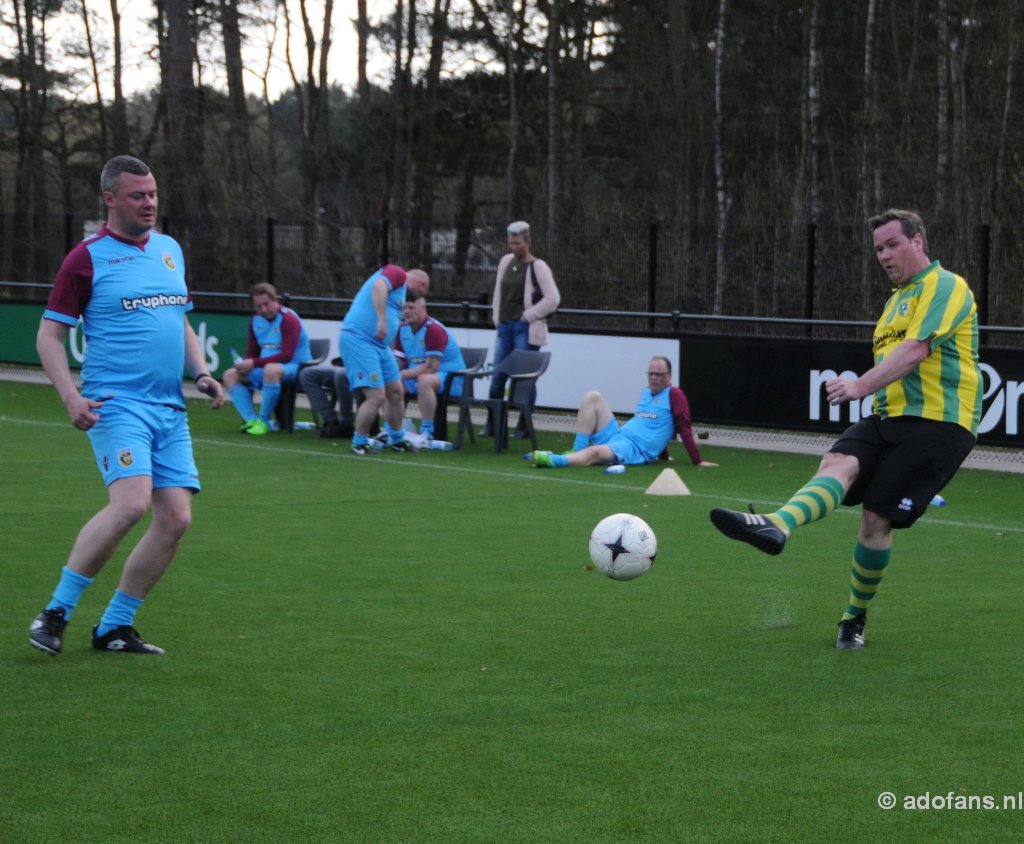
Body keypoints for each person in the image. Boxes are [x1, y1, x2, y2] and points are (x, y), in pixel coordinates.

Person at [709, 209, 981, 650]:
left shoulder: (946, 285)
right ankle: (775, 524)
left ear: (918, 242)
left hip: (940, 423)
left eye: (892, 244)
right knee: (837, 461)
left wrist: (859, 385)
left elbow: (915, 351)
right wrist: (870, 395)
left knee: (876, 518)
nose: (884, 255)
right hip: (888, 416)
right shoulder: (895, 301)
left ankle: (853, 619)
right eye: (878, 249)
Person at [29, 154, 224, 657]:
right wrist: (70, 396)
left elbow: (179, 321)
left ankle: (115, 626)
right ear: (110, 199)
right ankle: (55, 613)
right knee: (132, 504)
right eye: (137, 195)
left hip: (169, 408)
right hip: (117, 403)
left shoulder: (169, 250)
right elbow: (49, 337)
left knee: (176, 519)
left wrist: (200, 372)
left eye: (153, 193)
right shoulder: (86, 258)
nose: (149, 203)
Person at [528, 356, 717, 469]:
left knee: (595, 453)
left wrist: (697, 461)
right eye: (650, 373)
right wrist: (664, 456)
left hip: (633, 449)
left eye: (658, 374)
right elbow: (652, 425)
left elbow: (683, 428)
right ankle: (577, 449)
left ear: (669, 377)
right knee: (593, 396)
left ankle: (554, 461)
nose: (653, 377)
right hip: (618, 435)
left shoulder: (675, 394)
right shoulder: (646, 392)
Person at [340, 265, 431, 454]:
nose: (419, 297)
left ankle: (397, 439)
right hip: (360, 339)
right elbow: (378, 287)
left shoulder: (399, 291)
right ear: (421, 284)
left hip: (380, 346)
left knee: (396, 392)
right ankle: (359, 443)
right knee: (376, 395)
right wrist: (382, 320)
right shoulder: (397, 273)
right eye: (423, 292)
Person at [484, 220, 560, 437]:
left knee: (523, 377)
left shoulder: (538, 266)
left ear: (527, 242)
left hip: (524, 328)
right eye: (510, 243)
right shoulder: (505, 261)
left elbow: (553, 298)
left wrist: (528, 316)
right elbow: (498, 291)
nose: (513, 247)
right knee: (498, 375)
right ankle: (493, 421)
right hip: (505, 326)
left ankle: (524, 423)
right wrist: (496, 318)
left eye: (517, 243)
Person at [223, 282, 313, 436]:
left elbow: (286, 355)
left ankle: (263, 421)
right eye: (259, 306)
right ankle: (251, 420)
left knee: (271, 370)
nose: (264, 309)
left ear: (275, 301)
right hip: (266, 368)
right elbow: (252, 352)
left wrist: (254, 363)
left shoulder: (288, 318)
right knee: (230, 375)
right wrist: (244, 363)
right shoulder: (255, 320)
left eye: (267, 304)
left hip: (296, 367)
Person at [393, 294, 467, 440]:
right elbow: (399, 361)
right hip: (417, 375)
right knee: (390, 383)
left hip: (451, 378)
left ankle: (427, 432)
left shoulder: (434, 329)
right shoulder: (401, 329)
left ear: (423, 308)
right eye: (404, 308)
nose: (406, 311)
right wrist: (391, 372)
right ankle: (395, 428)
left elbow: (431, 368)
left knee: (425, 380)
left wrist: (403, 374)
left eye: (411, 307)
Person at [300, 358, 355, 438]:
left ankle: (346, 424)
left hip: (368, 369)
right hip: (349, 366)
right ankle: (331, 421)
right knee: (307, 374)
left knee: (341, 374)